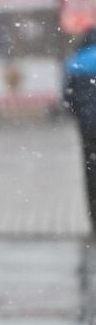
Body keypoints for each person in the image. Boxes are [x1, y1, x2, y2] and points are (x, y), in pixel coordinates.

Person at [64, 28, 96, 231]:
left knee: (91, 173)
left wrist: (79, 115)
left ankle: (94, 217)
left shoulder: (76, 62)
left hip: (87, 129)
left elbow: (67, 98)